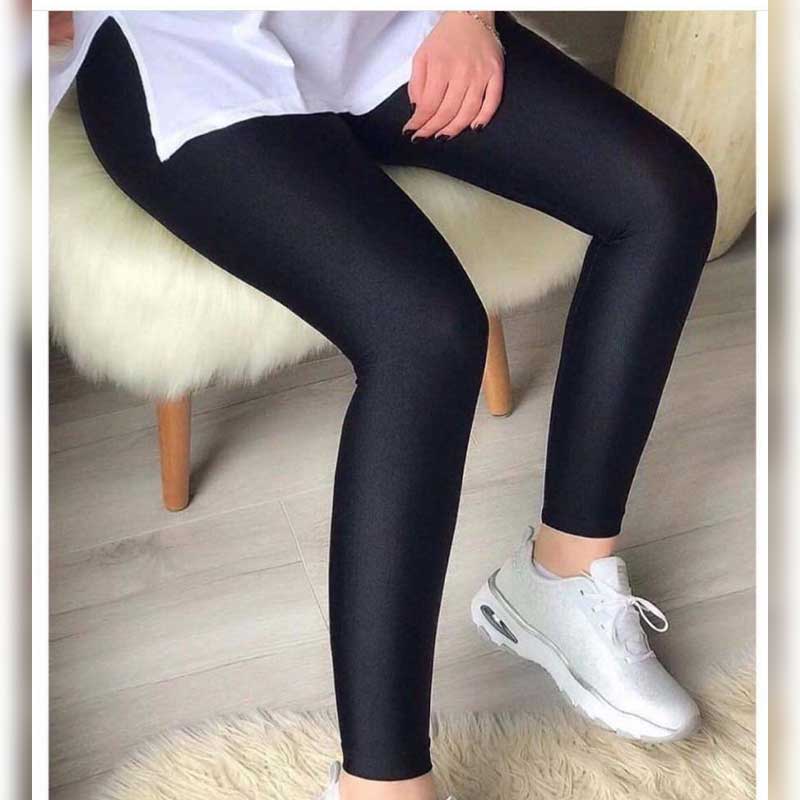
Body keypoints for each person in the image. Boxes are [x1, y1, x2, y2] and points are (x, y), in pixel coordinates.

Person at [50, 11, 718, 800]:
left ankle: (562, 577)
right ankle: (384, 784)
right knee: (425, 332)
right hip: (181, 48)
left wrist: (467, 14)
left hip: (384, 21)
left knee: (663, 195)